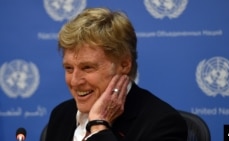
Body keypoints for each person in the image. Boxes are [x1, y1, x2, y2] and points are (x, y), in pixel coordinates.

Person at [45, 7, 187, 141]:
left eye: (87, 67)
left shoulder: (162, 123)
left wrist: (99, 126)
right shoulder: (61, 115)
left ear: (124, 65)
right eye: (69, 68)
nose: (75, 81)